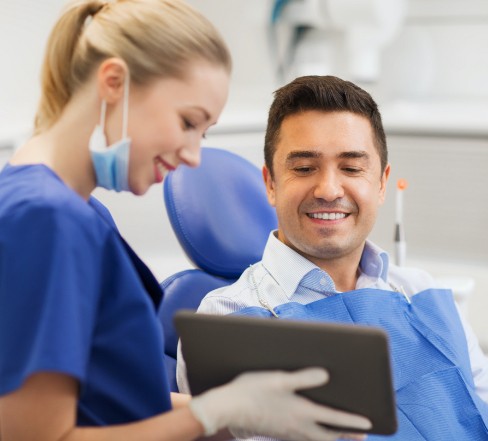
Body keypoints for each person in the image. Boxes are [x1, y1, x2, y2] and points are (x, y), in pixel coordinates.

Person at [0, 3, 372, 441]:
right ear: (114, 83)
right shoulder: (47, 219)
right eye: (187, 122)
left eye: (205, 132)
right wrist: (208, 414)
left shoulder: (70, 209)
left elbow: (108, 402)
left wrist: (240, 410)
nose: (194, 156)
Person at [177, 75, 488, 440]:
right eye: (303, 168)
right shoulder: (230, 319)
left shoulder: (423, 292)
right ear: (270, 183)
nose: (329, 190)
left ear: (381, 184)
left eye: (351, 168)